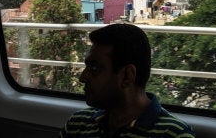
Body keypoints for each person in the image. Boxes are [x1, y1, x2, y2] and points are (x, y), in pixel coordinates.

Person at [59, 23, 195, 138]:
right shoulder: (78, 124)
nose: (83, 77)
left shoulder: (173, 134)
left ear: (127, 76)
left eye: (94, 68)